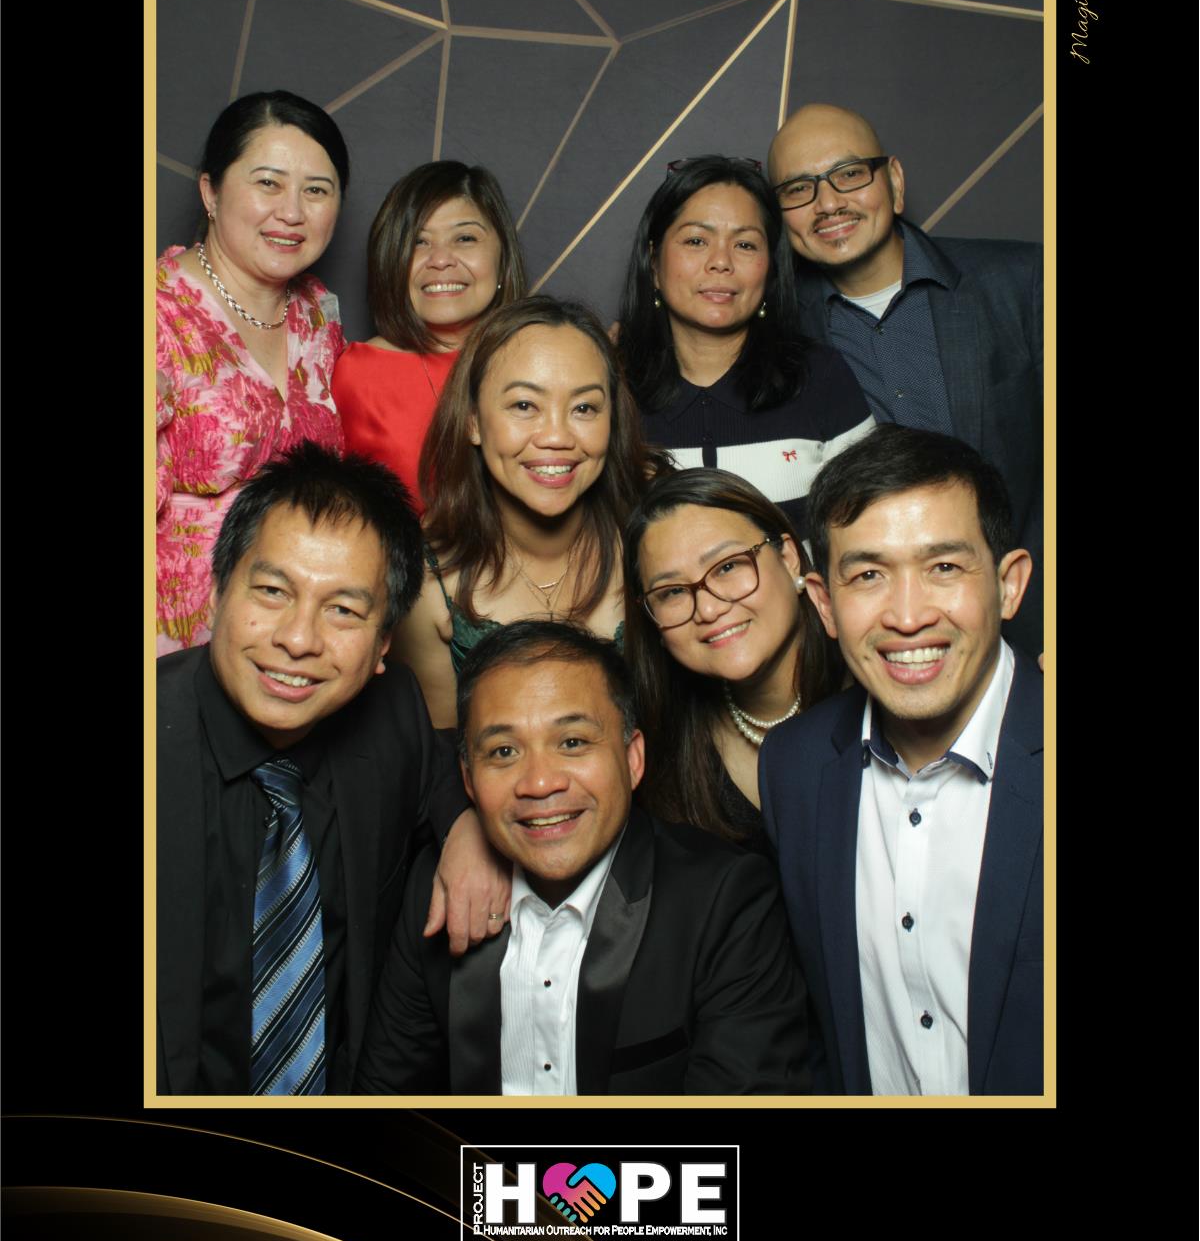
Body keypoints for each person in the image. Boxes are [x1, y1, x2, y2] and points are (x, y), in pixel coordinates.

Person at [156, 443, 511, 1097]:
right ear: (217, 592)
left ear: (383, 646)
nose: (298, 639)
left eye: (343, 610)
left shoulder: (394, 715)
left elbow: (453, 775)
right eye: (272, 591)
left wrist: (473, 831)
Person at [355, 622, 811, 1095]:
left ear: (632, 759)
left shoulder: (725, 902)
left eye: (572, 743)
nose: (540, 783)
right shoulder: (436, 888)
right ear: (468, 780)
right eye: (504, 751)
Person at [759, 425, 1043, 1097]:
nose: (908, 616)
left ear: (1009, 585)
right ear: (824, 603)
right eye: (868, 575)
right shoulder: (795, 767)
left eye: (944, 568)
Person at [767, 103, 1042, 655]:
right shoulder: (774, 333)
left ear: (893, 181)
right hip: (887, 637)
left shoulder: (1022, 281)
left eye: (849, 174)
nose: (828, 203)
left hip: (1032, 620)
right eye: (799, 189)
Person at [397, 295, 654, 730]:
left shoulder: (652, 540)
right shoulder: (427, 579)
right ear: (473, 421)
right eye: (524, 406)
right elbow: (439, 758)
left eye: (584, 408)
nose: (556, 436)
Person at [156, 90, 349, 655]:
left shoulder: (318, 313)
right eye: (268, 183)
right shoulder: (161, 312)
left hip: (297, 642)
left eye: (316, 190)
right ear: (210, 192)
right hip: (177, 647)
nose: (292, 212)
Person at [614, 154, 873, 541]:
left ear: (770, 269)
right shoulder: (609, 389)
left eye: (746, 244)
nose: (721, 262)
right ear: (653, 262)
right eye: (696, 241)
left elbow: (871, 534)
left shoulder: (821, 376)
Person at [623, 468, 841, 847]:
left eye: (727, 567)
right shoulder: (658, 747)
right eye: (673, 592)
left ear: (789, 558)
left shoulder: (877, 688)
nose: (708, 609)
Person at [332, 161, 527, 513]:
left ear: (502, 256)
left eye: (465, 238)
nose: (440, 260)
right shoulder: (359, 374)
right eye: (418, 241)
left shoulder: (540, 361)